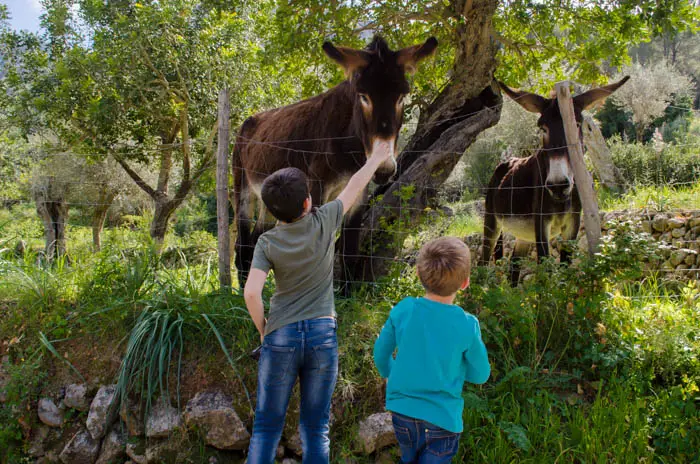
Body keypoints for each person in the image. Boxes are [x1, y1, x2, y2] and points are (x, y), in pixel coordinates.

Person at [244, 142, 393, 464]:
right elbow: (354, 186)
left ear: (271, 210)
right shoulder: (324, 221)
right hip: (322, 334)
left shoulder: (267, 242)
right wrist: (377, 158)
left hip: (280, 335)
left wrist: (263, 330)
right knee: (315, 428)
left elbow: (252, 293)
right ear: (309, 201)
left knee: (266, 427)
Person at [373, 237, 491, 463]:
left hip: (403, 412)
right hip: (443, 420)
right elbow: (481, 375)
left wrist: (392, 372)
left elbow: (381, 354)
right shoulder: (467, 324)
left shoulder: (404, 310)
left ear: (418, 275)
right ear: (465, 283)